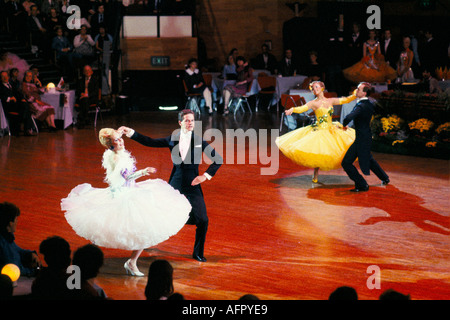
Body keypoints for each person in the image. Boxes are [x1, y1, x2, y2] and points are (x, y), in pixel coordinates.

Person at [61, 128, 191, 275]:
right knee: (143, 228)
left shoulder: (116, 153)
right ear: (110, 145)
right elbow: (127, 177)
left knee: (142, 227)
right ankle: (131, 262)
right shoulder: (117, 158)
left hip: (130, 189)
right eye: (117, 140)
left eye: (121, 138)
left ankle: (130, 262)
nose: (121, 141)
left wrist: (122, 131)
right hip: (125, 194)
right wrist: (144, 171)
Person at [119, 109, 222, 262]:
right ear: (180, 123)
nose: (190, 123)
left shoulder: (199, 141)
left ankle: (198, 252)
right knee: (158, 214)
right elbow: (150, 142)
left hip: (193, 183)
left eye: (192, 120)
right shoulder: (172, 139)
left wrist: (204, 176)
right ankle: (144, 241)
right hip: (176, 182)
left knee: (203, 220)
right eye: (187, 120)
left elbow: (217, 159)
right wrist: (131, 133)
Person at [275, 81, 357, 183]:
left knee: (339, 149)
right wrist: (292, 109)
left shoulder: (331, 101)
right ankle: (315, 173)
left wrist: (354, 95)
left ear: (322, 88)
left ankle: (348, 168)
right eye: (313, 88)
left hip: (331, 128)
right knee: (319, 151)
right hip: (320, 130)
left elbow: (346, 100)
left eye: (316, 87)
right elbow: (302, 108)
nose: (315, 90)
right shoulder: (313, 103)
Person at [341, 82, 389, 192]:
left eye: (358, 89)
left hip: (362, 139)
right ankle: (385, 178)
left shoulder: (361, 106)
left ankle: (362, 185)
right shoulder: (368, 104)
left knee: (346, 163)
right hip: (366, 136)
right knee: (368, 159)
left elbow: (349, 117)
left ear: (364, 93)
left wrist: (344, 124)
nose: (356, 91)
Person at [0, 202, 41, 278]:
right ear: (10, 224)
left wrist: (31, 254)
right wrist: (35, 271)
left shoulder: (7, 237)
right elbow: (17, 269)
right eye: (16, 219)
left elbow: (17, 250)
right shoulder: (4, 245)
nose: (17, 222)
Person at [0, 70, 35, 136]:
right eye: (3, 76)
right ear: (0, 78)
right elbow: (1, 96)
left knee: (25, 105)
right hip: (8, 106)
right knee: (26, 108)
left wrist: (22, 99)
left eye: (6, 76)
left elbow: (18, 93)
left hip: (16, 105)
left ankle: (24, 126)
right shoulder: (1, 86)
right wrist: (10, 98)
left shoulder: (11, 85)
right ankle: (26, 128)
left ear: (8, 77)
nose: (5, 78)